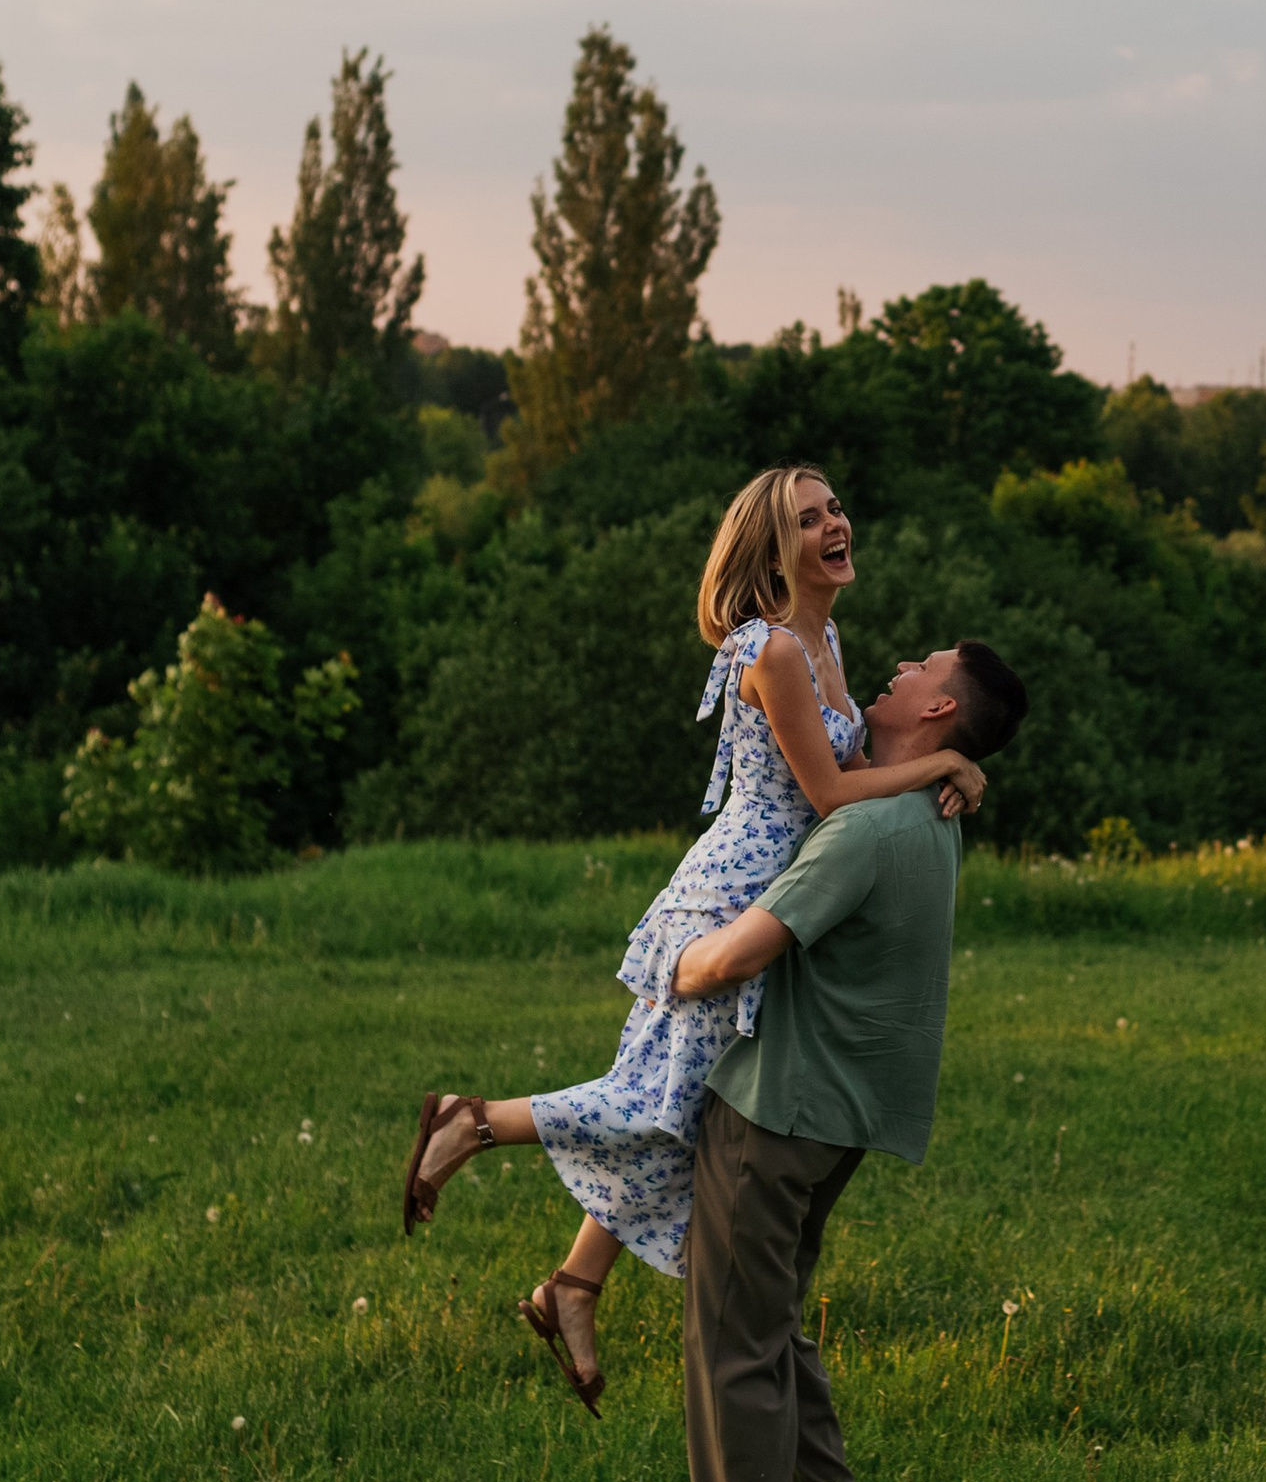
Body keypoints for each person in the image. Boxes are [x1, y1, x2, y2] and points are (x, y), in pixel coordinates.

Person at [398, 465, 984, 1408]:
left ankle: (573, 1286)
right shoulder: (774, 652)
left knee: (690, 1114)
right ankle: (469, 1121)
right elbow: (831, 795)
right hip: (731, 901)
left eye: (835, 507)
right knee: (658, 1105)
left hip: (780, 892)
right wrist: (946, 760)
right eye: (807, 519)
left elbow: (869, 761)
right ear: (772, 549)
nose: (835, 524)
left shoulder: (824, 638)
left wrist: (952, 771)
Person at [668, 633, 1029, 1482]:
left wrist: (669, 963)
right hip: (841, 1119)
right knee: (776, 1328)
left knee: (731, 1348)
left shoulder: (865, 831)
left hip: (777, 1111)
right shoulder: (930, 812)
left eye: (922, 667)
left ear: (939, 710)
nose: (898, 668)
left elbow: (738, 955)